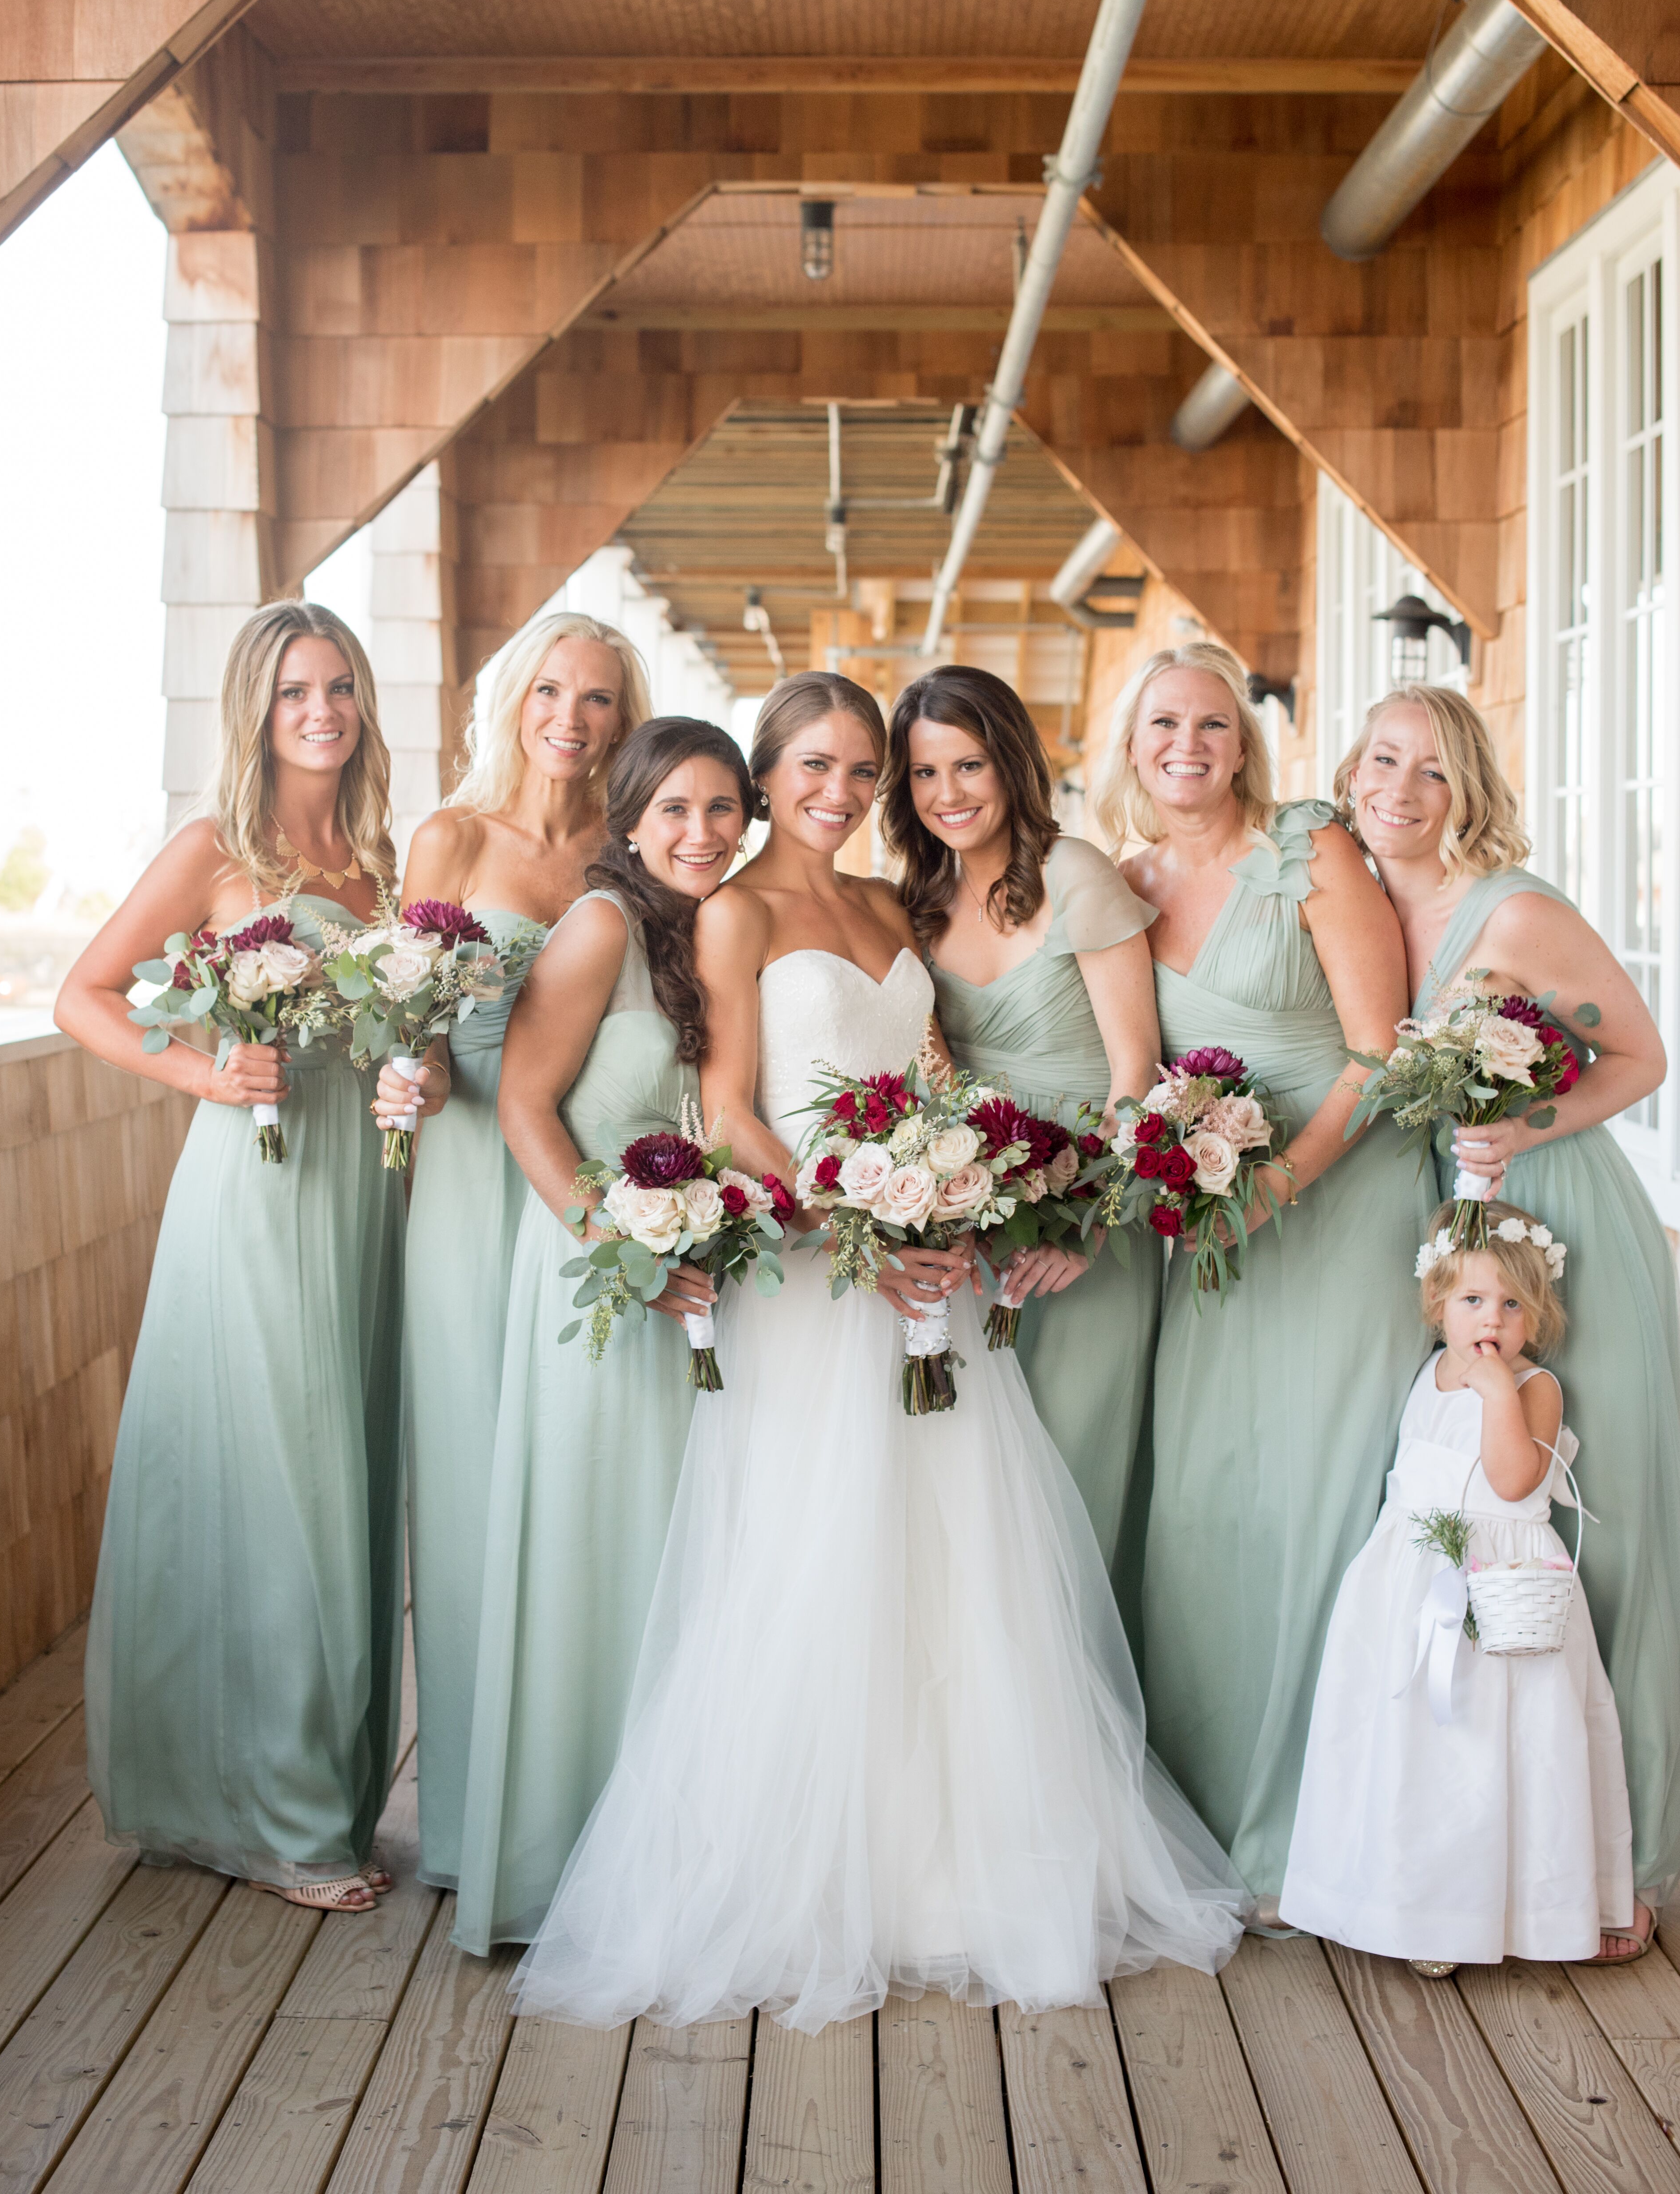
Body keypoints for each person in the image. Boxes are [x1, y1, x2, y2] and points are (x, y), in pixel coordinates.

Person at [511, 671, 1248, 2034]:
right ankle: (798, 1877)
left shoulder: (884, 907)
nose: (842, 793)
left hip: (926, 1266)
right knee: (814, 1553)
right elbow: (730, 1108)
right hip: (816, 1271)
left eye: (866, 772)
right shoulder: (734, 911)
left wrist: (945, 1195)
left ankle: (948, 1868)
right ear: (768, 773)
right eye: (816, 768)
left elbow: (930, 1077)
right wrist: (856, 1217)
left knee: (952, 1553)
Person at [58, 605, 403, 1913]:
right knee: (282, 1487)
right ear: (254, 712)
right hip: (254, 1190)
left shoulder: (373, 861)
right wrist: (203, 1070)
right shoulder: (218, 849)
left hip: (364, 1197)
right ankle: (281, 1817)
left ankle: (302, 1784)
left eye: (339, 688)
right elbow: (83, 996)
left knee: (343, 1481)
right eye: (292, 691)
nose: (320, 710)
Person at [1338, 681, 1680, 1938]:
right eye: (1380, 760)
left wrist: (1516, 1122)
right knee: (1488, 1514)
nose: (1397, 789)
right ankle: (1500, 1844)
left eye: (1429, 771)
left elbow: (1642, 1057)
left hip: (1564, 1217)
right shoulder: (1364, 908)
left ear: (1466, 789)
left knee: (1604, 1523)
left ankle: (1625, 1867)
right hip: (1459, 1226)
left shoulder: (1516, 912)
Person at [1096, 641, 1430, 1914]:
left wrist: (1278, 1180)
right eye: (1164, 723)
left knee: (1323, 1500)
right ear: (1132, 743)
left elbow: (1375, 1052)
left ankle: (1328, 1825)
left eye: (1213, 725)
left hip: (1334, 1205)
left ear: (1245, 744)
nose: (1188, 745)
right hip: (1209, 1228)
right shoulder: (1122, 885)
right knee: (1205, 1503)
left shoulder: (1311, 850)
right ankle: (1210, 1810)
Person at [451, 717, 752, 1953]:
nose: (700, 831)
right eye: (675, 809)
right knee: (594, 1554)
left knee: (683, 1558)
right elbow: (526, 1106)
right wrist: (622, 1253)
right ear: (629, 821)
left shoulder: (714, 932)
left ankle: (671, 1857)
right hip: (596, 1280)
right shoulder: (601, 927)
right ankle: (556, 1863)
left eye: (723, 809)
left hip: (699, 1279)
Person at [372, 610, 649, 1891]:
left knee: (579, 1472)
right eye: (551, 689)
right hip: (465, 1181)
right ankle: (482, 1820)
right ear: (513, 700)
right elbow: (408, 1017)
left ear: (620, 716)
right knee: (477, 1479)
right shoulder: (452, 837)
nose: (572, 718)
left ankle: (591, 1796)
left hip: (579, 1167)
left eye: (598, 698)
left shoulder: (633, 846)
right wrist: (409, 1075)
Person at [1280, 1207, 1635, 1970]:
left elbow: (1513, 1482)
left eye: (1513, 1306)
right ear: (1436, 1303)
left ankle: (1500, 1913)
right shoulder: (1426, 1372)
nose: (1492, 1321)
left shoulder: (1535, 1386)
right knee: (1410, 1754)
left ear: (1536, 1320)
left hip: (1503, 1594)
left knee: (1497, 1756)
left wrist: (1499, 1389)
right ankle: (1404, 1901)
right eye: (1473, 1301)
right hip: (1409, 1585)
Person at [881, 665, 1163, 1621]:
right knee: (974, 1486)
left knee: (1073, 1474)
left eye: (968, 765)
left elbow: (1136, 1069)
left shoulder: (1075, 874)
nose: (948, 794)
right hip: (975, 1219)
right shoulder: (912, 901)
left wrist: (1085, 1224)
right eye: (923, 773)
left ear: (1009, 762)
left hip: (1085, 1226)